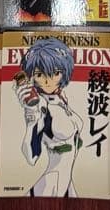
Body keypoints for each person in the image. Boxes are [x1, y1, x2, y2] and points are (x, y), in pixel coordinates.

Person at [16, 38, 83, 197]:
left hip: (66, 185)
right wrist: (31, 115)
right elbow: (31, 156)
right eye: (40, 74)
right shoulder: (40, 106)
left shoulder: (60, 98)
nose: (48, 80)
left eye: (55, 73)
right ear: (32, 76)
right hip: (49, 186)